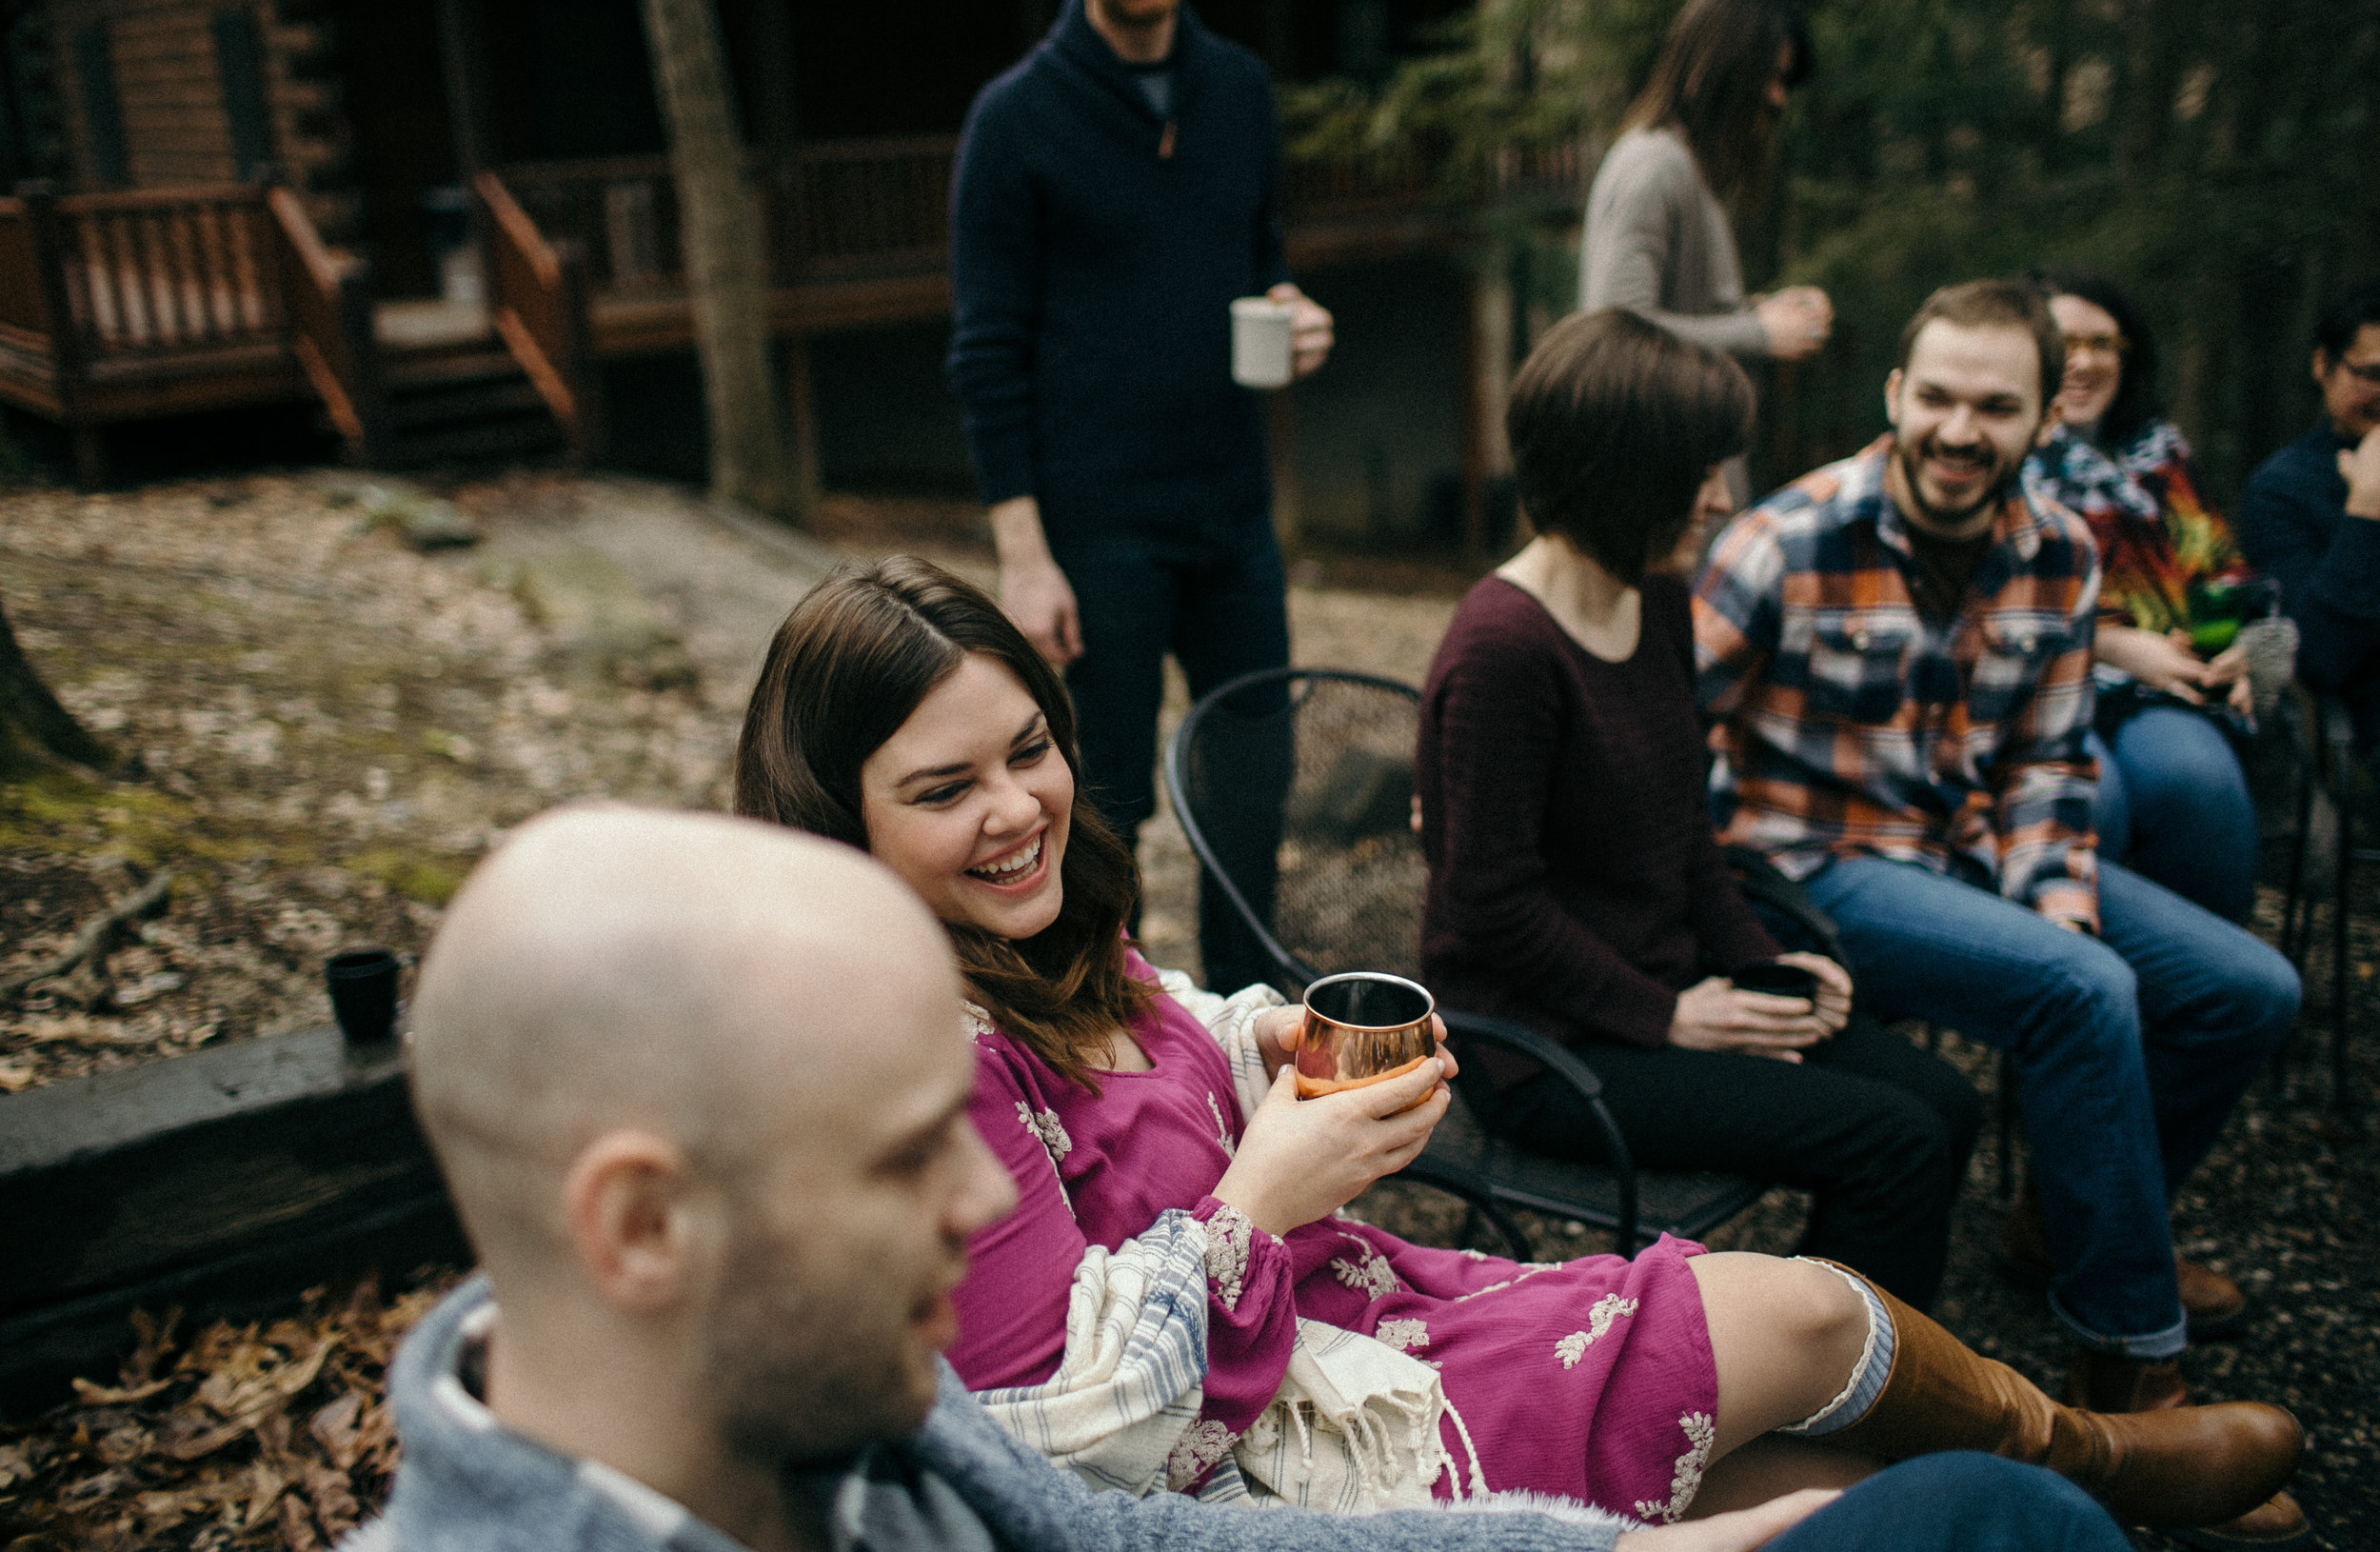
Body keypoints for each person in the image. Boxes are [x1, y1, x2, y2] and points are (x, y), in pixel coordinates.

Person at [730, 554, 2301, 1532]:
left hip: (1361, 1308)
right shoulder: (905, 1057)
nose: (1018, 809)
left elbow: (1152, 1034)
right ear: (835, 822)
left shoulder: (1031, 934)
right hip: (1280, 1453)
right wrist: (1261, 1196)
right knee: (1814, 1320)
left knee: (1842, 1479)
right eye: (946, 790)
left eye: (1032, 750)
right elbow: (1044, 1452)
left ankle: (2074, 1476)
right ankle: (2106, 1455)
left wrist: (1256, 1029)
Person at [359, 805, 2144, 1552]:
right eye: (905, 1160)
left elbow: (1148, 1540)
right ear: (643, 1225)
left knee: (1972, 1520)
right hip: (1280, 1384)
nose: (978, 1211)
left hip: (1338, 1402)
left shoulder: (845, 1423)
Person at [1694, 280, 2306, 1545]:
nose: (1960, 429)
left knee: (2247, 988)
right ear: (1894, 396)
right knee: (2084, 994)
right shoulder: (1786, 535)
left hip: (1967, 854)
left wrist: (2059, 909)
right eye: (1938, 397)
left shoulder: (2062, 549)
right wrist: (1724, 921)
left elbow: (2044, 767)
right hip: (1819, 870)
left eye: (1995, 404)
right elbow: (1670, 731)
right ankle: (2131, 1373)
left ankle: (2060, 1219)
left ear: (2040, 417)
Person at [1417, 308, 1979, 1309]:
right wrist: (1670, 1016)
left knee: (1942, 1099)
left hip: (1660, 985)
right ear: (1620, 470)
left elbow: (1683, 827)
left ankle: (1843, 1360)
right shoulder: (1504, 648)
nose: (1721, 497)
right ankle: (1825, 1413)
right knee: (1887, 1142)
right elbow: (1486, 908)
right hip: (1544, 1048)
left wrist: (1758, 958)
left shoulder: (1659, 596)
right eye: (1700, 471)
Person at [947, 0, 1331, 994]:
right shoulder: (1016, 117)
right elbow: (985, 350)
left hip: (1233, 514)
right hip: (1094, 526)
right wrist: (1024, 557)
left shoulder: (1239, 89)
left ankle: (1250, 1012)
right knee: (1099, 796)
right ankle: (1118, 1017)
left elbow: (1262, 260)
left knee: (1253, 778)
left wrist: (1293, 318)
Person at [2019, 269, 2269, 925]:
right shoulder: (1995, 454)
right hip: (2034, 689)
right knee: (2090, 799)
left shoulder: (2160, 455)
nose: (2085, 361)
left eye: (2104, 343)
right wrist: (2111, 643)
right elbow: (1975, 602)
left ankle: (2203, 994)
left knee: (2197, 783)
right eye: (2065, 341)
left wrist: (2244, 646)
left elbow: (2220, 572)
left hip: (2163, 688)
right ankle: (2079, 982)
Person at [1578, 0, 1832, 503]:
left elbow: (1672, 312)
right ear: (1718, 67)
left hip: (1694, 470)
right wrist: (1758, 334)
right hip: (1659, 486)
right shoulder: (1652, 168)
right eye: (1770, 76)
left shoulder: (1691, 173)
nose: (1777, 96)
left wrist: (1758, 313)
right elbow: (1615, 332)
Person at [2239, 278, 2380, 761]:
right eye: (2372, 374)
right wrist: (2365, 513)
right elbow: (2318, 659)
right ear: (2323, 364)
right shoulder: (2282, 489)